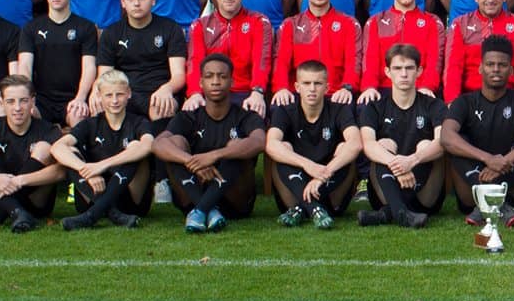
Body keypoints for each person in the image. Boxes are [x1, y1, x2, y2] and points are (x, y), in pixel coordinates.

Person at [440, 36, 514, 227]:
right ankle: (496, 203)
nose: (496, 69)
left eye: (502, 65)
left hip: (512, 189)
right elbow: (446, 136)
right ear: (480, 68)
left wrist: (506, 160)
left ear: (511, 70)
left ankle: (491, 202)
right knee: (456, 141)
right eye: (490, 64)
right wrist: (488, 159)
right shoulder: (465, 101)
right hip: (473, 189)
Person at [154, 53, 265, 231]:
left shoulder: (246, 116)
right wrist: (190, 161)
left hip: (235, 203)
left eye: (222, 76)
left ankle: (200, 210)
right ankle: (206, 209)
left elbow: (260, 141)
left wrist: (213, 156)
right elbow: (158, 144)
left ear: (232, 82)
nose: (215, 81)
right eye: (209, 76)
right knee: (174, 144)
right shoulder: (188, 117)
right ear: (200, 83)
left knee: (236, 146)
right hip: (193, 193)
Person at [355, 44, 447, 228]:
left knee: (425, 144)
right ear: (387, 72)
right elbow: (368, 145)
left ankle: (388, 214)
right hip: (385, 193)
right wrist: (397, 164)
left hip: (425, 195)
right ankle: (400, 212)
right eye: (397, 68)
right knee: (383, 144)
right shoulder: (374, 107)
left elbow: (442, 142)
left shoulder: (434, 105)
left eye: (409, 68)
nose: (403, 74)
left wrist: (412, 160)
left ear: (419, 71)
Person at [50, 69, 156, 230]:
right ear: (99, 96)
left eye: (119, 94)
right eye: (108, 95)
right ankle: (110, 212)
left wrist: (102, 165)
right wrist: (85, 169)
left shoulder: (139, 122)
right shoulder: (90, 123)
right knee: (70, 154)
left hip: (129, 200)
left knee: (136, 148)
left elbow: (148, 145)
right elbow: (57, 147)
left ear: (129, 93)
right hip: (92, 194)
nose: (114, 100)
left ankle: (92, 216)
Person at [0, 74, 66, 232]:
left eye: (23, 100)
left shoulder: (48, 130)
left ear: (32, 101)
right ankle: (16, 212)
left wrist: (19, 181)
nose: (17, 108)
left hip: (35, 203)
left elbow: (60, 171)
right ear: (1, 103)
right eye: (10, 101)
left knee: (44, 148)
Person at [263, 59, 361, 227]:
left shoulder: (339, 109)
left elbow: (356, 144)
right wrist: (308, 165)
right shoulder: (285, 111)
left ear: (327, 87)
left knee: (345, 149)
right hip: (295, 187)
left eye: (318, 83)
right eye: (306, 83)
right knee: (282, 148)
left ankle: (302, 209)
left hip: (330, 189)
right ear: (297, 87)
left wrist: (321, 176)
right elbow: (271, 145)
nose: (312, 89)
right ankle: (314, 208)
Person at [15, 0, 98, 126]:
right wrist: (28, 98)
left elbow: (89, 67)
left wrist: (80, 98)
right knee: (25, 116)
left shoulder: (86, 28)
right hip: (41, 100)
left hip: (73, 99)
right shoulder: (31, 28)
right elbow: (24, 66)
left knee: (79, 121)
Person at [99, 0, 185, 124]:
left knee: (160, 109)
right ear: (122, 2)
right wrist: (96, 92)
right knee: (99, 106)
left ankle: (158, 146)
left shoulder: (170, 28)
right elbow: (105, 76)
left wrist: (167, 89)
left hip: (161, 91)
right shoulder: (111, 33)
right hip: (126, 92)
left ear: (153, 0)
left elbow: (179, 75)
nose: (137, 3)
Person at [188, 0, 273, 114]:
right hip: (211, 94)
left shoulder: (259, 22)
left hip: (246, 94)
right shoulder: (200, 25)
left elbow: (261, 60)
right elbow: (195, 62)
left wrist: (258, 92)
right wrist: (195, 93)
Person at [270, 0, 360, 105]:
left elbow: (354, 61)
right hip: (299, 96)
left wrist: (347, 87)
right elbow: (281, 61)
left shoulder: (349, 24)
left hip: (337, 95)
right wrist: (281, 88)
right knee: (277, 110)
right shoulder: (290, 25)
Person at [359, 0, 443, 103]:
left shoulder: (432, 22)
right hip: (384, 89)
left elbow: (434, 61)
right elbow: (370, 60)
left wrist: (428, 86)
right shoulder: (375, 22)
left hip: (420, 89)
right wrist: (369, 87)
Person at [441, 0, 514, 102]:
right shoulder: (460, 24)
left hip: (509, 99)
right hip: (470, 98)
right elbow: (453, 69)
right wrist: (452, 102)